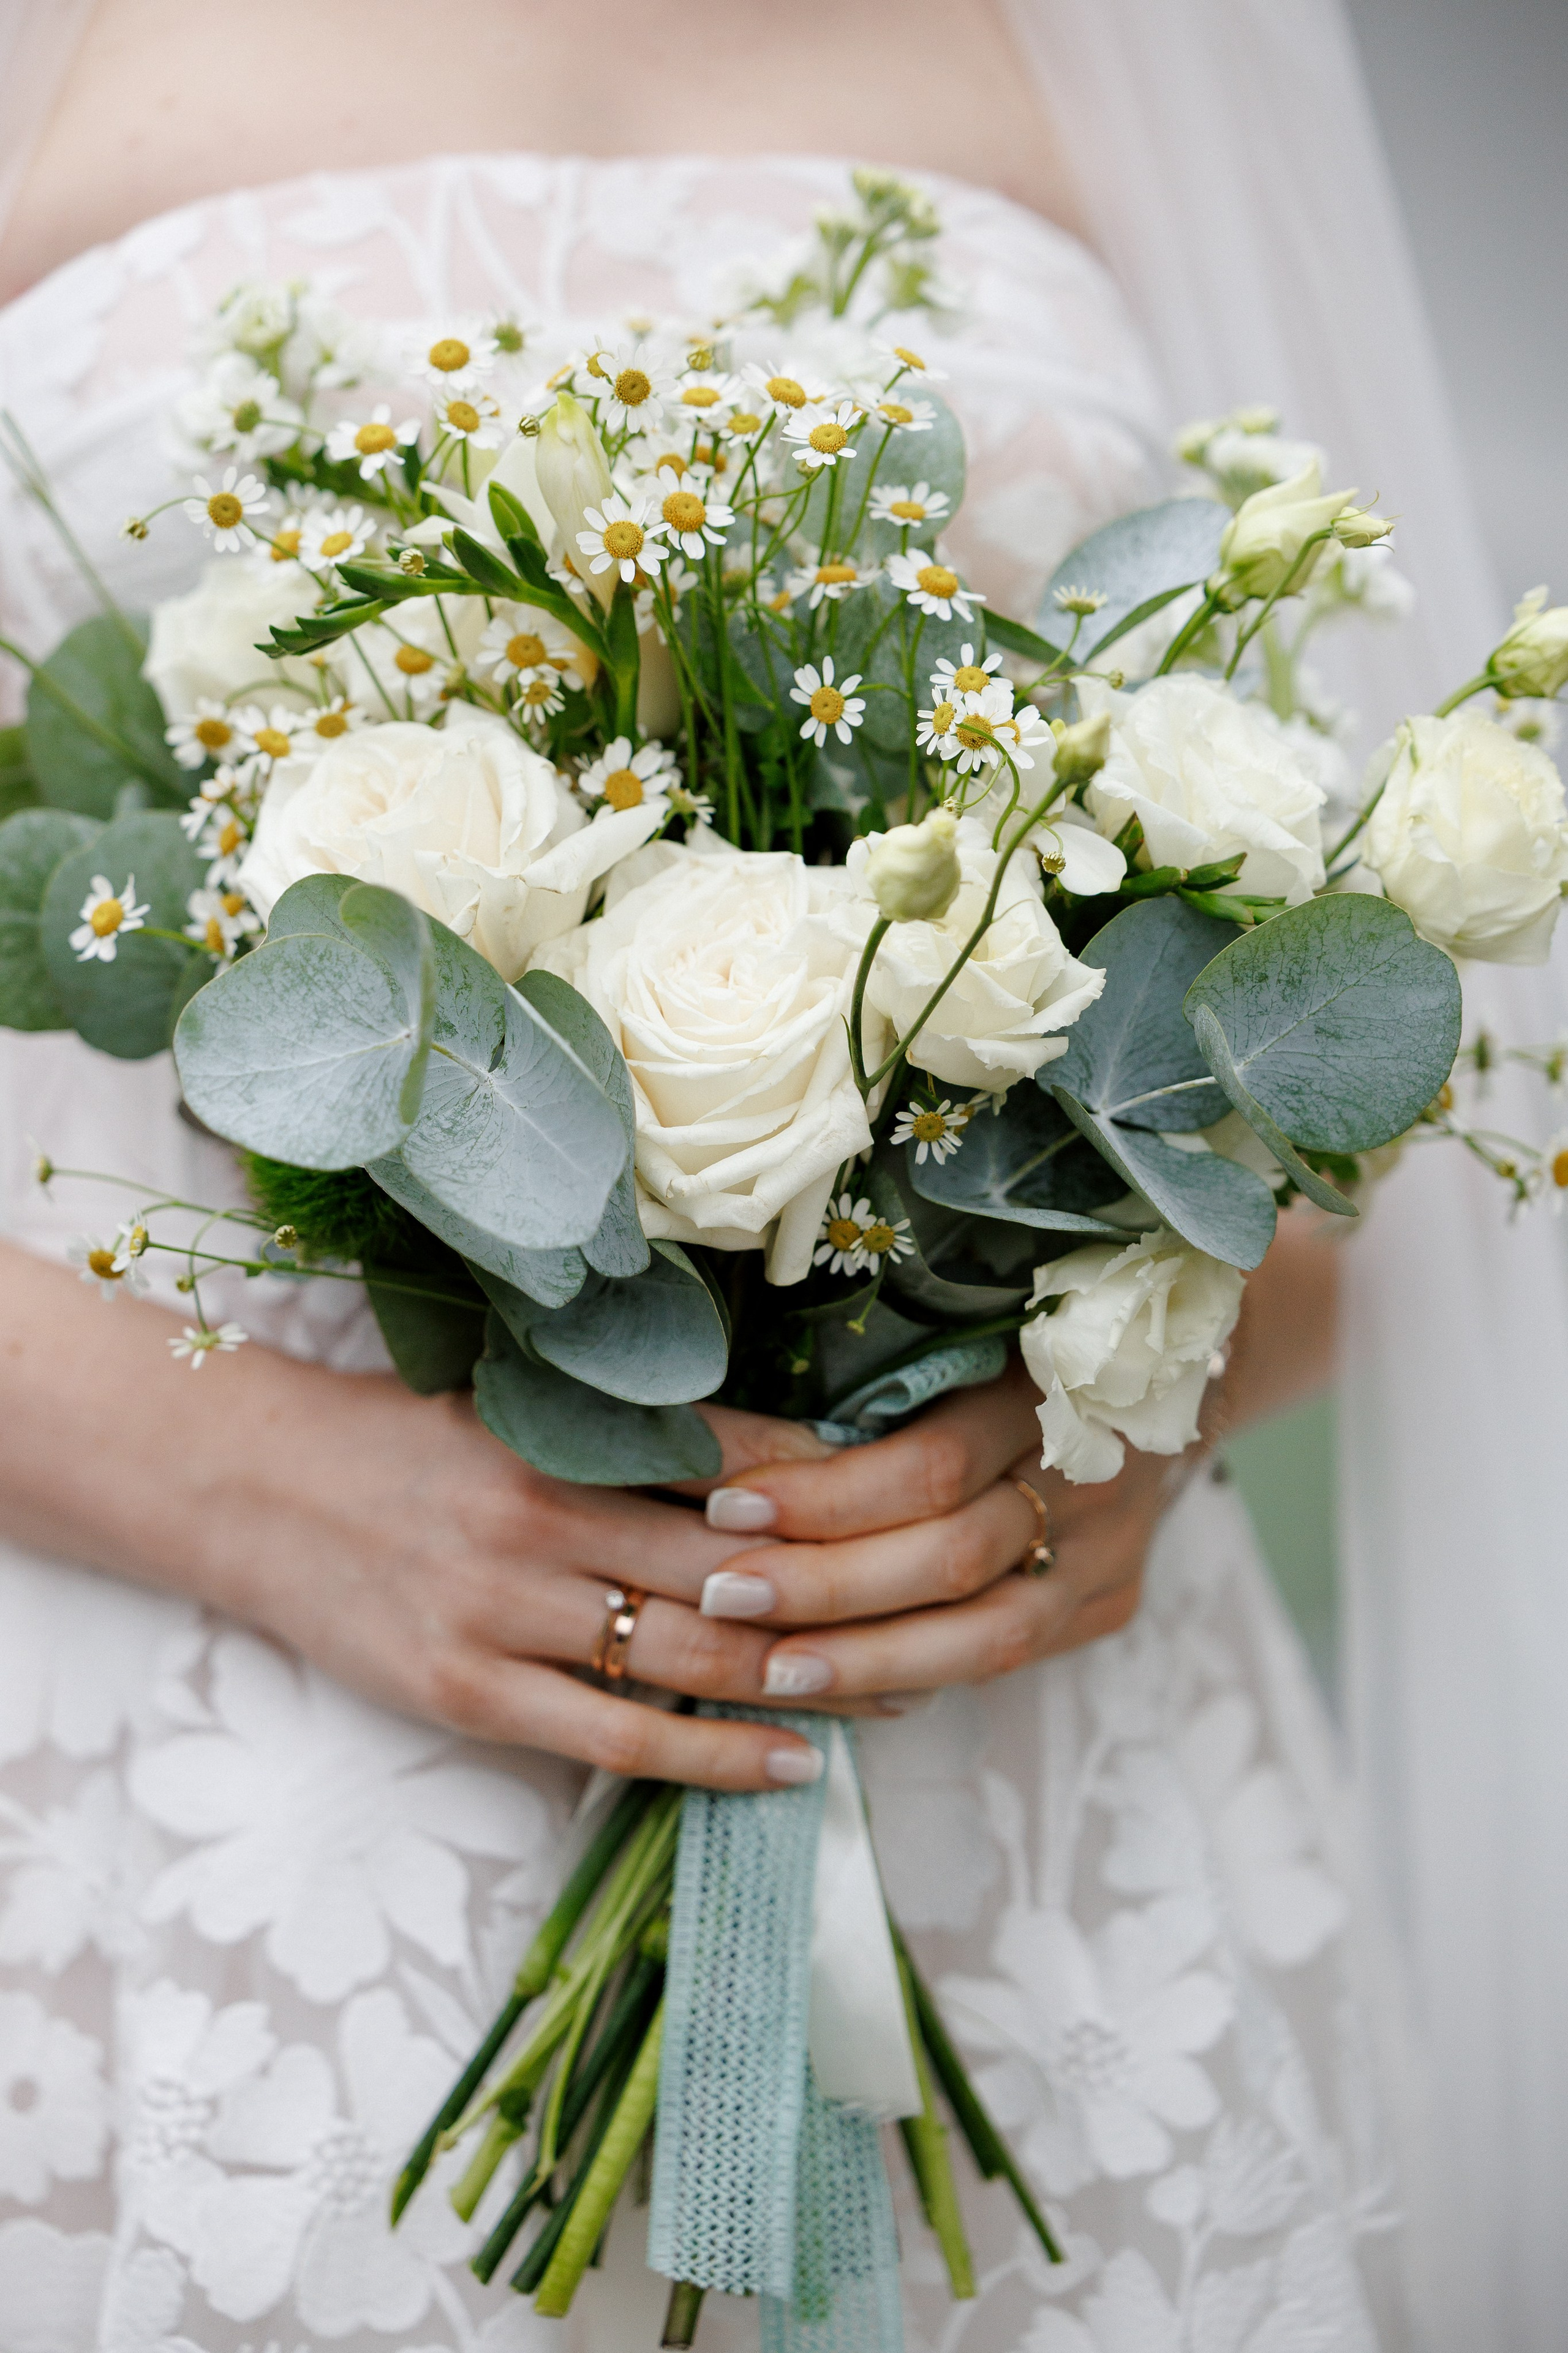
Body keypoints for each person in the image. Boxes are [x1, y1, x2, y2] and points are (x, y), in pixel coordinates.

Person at [0, 3, 1455, 2344]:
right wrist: (241, 1475)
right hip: (187, 1735)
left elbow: (1361, 1099)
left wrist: (1129, 1404)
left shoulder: (1135, 56)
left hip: (1001, 1746)